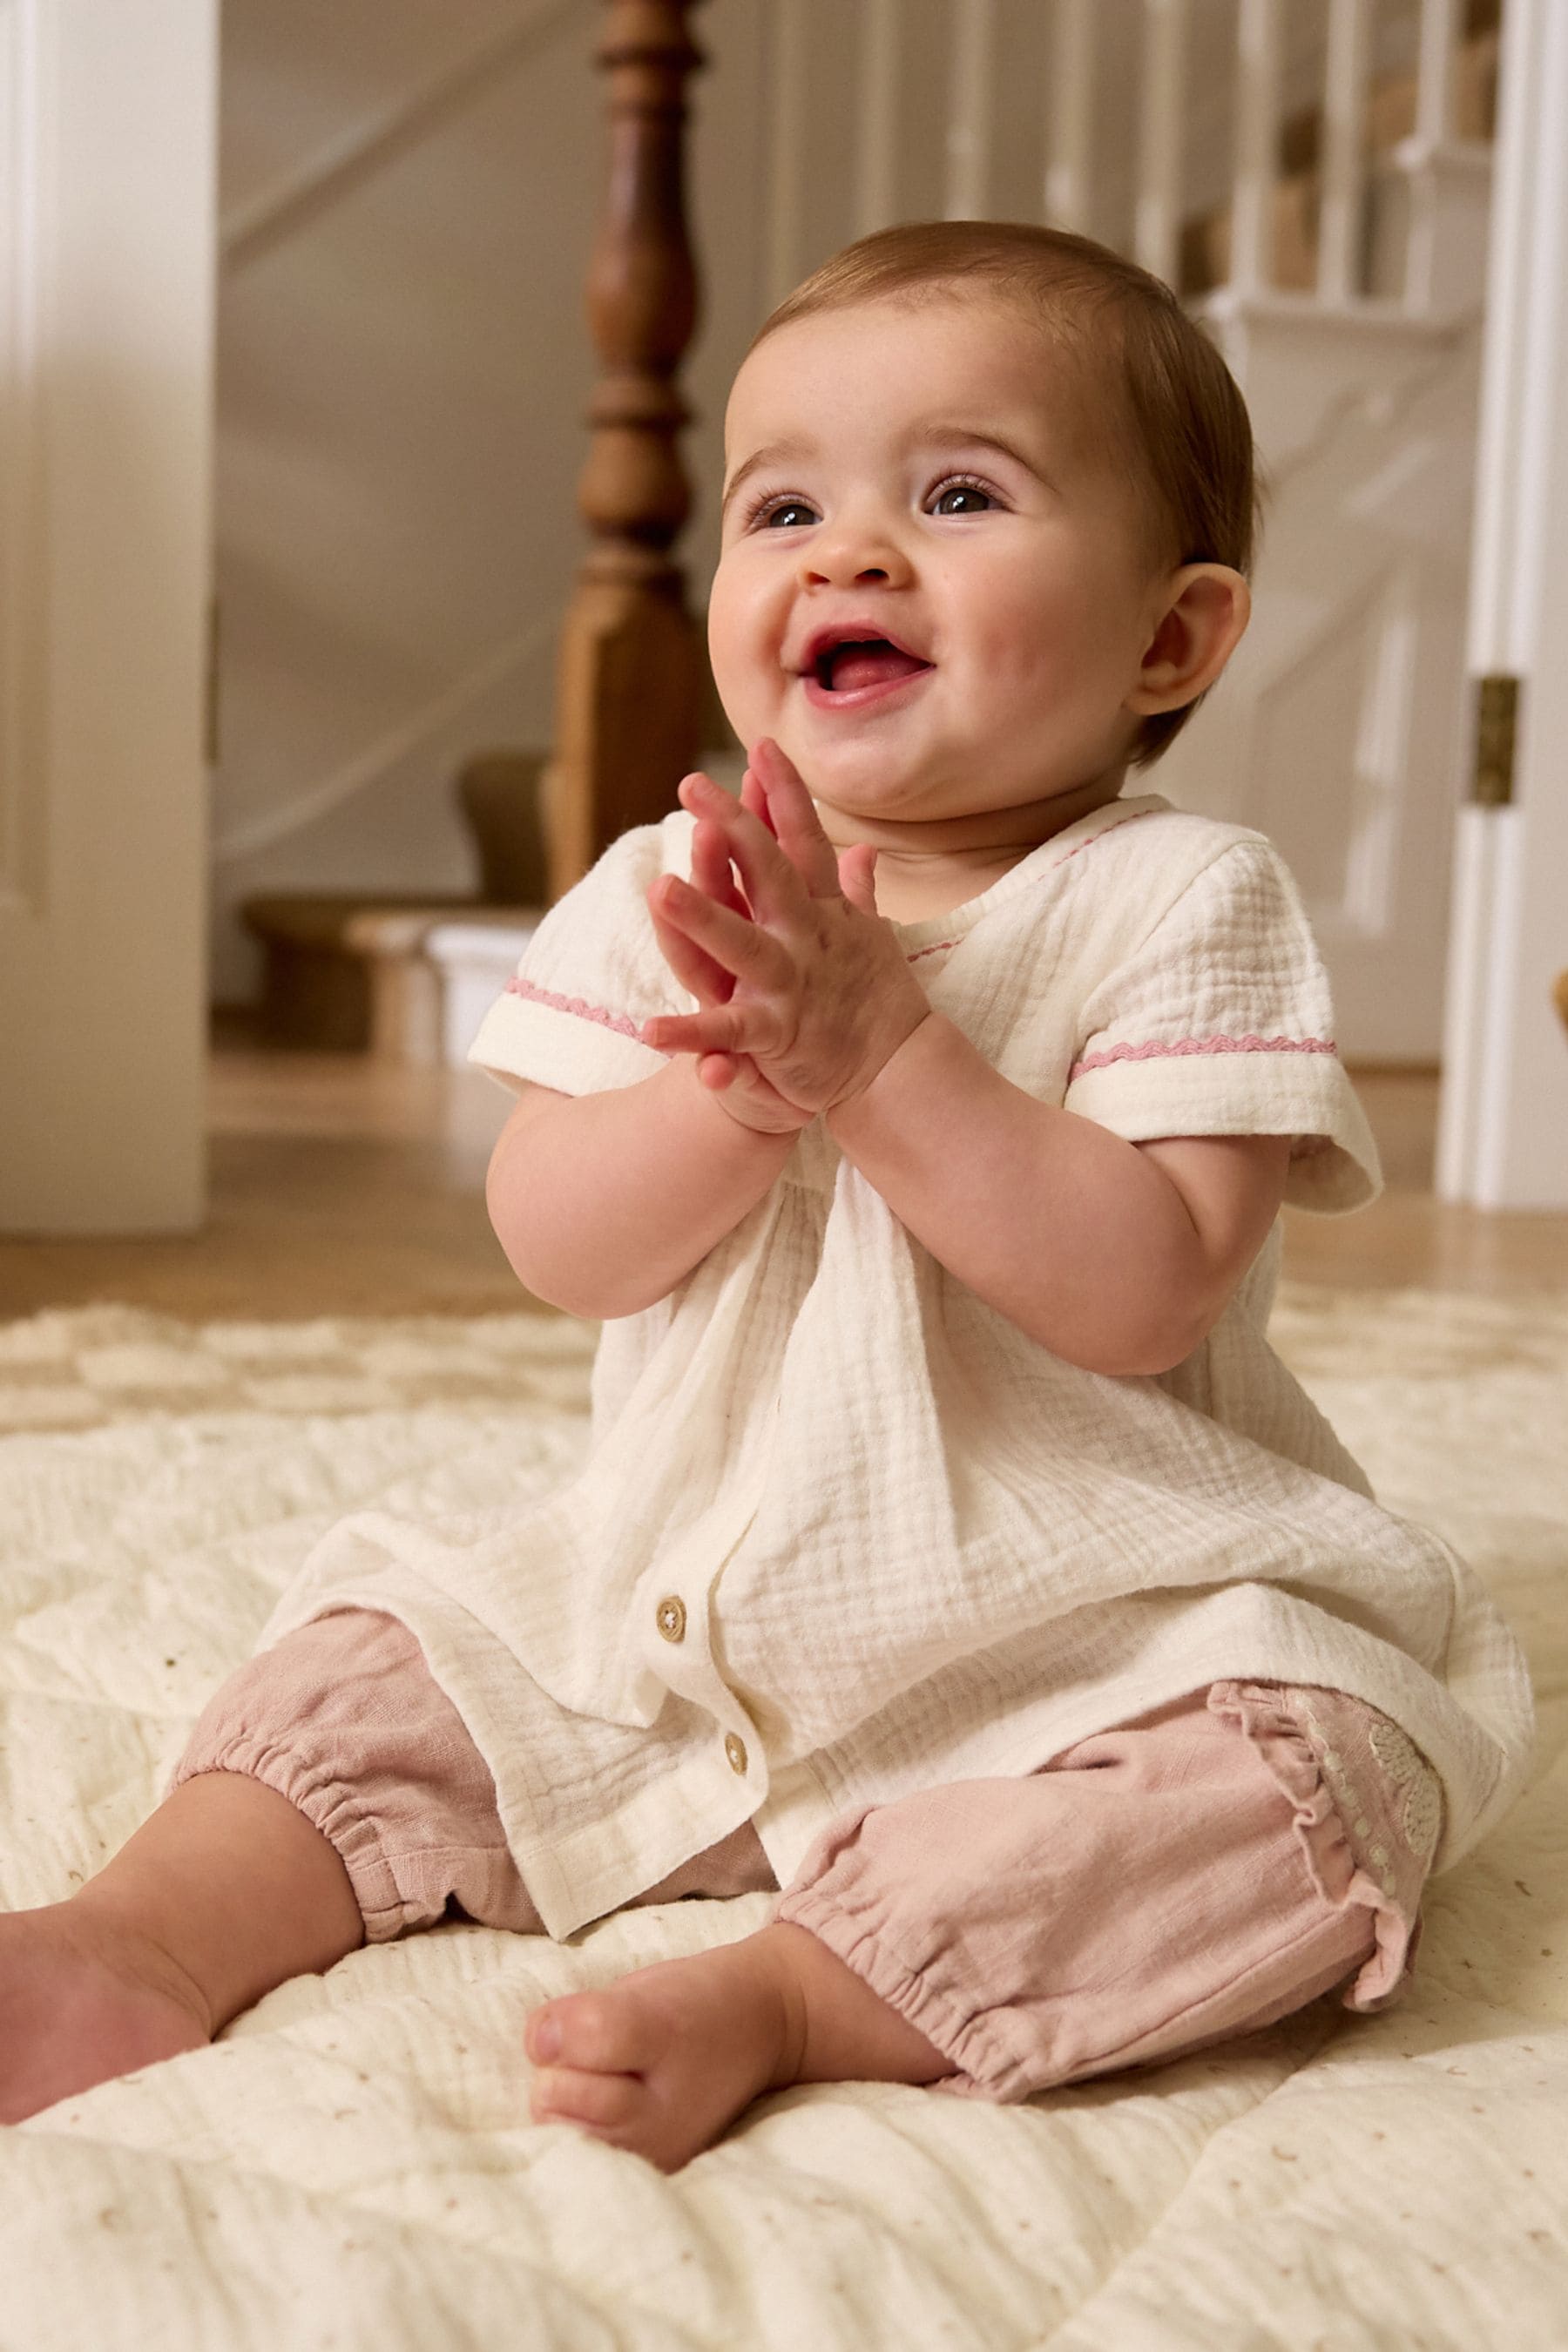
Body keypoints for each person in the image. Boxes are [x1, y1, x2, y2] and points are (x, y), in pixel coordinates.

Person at [0, 222, 1533, 2171]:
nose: (848, 554)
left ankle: (826, 1985)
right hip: (678, 1599)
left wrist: (884, 1059)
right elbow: (561, 1239)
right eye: (784, 504)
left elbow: (1146, 1290)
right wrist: (729, 1099)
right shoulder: (676, 882)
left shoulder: (1185, 902)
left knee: (1333, 1781)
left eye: (958, 493)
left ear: (1172, 637)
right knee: (380, 1654)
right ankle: (141, 1938)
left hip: (1087, 1624)